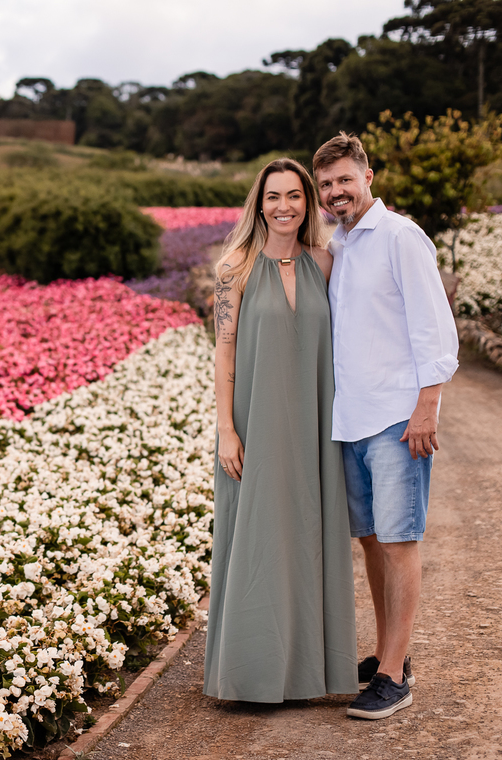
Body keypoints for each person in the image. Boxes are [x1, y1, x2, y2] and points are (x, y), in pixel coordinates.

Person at [313, 133, 459, 720]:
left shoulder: (400, 236)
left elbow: (434, 327)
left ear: (369, 177)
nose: (335, 192)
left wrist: (428, 407)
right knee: (372, 540)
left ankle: (395, 675)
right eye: (326, 185)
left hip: (398, 419)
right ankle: (384, 655)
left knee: (399, 541)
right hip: (350, 419)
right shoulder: (339, 245)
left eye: (344, 179)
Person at [203, 158, 359, 703]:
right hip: (255, 422)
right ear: (259, 203)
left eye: (295, 195)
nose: (285, 206)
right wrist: (226, 428)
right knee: (258, 542)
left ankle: (308, 674)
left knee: (308, 537)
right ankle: (250, 673)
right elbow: (224, 355)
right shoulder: (235, 268)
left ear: (308, 202)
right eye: (274, 196)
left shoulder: (327, 261)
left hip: (316, 425)